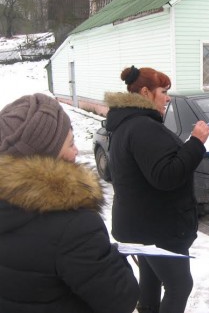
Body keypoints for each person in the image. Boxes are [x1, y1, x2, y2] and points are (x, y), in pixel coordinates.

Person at [0, 93, 139, 313]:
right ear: (47, 156)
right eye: (71, 143)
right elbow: (122, 299)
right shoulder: (76, 226)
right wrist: (111, 255)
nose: (76, 152)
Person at [104, 66, 209, 313]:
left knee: (151, 280)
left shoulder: (125, 124)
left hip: (139, 226)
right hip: (157, 230)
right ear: (145, 92)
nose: (167, 97)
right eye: (163, 91)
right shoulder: (143, 127)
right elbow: (166, 176)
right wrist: (196, 143)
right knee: (180, 286)